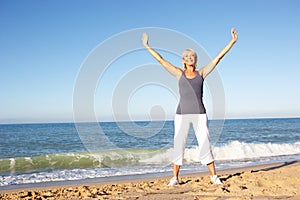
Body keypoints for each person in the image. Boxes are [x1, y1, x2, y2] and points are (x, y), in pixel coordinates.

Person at [142, 28, 238, 186]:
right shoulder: (179, 73)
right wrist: (147, 46)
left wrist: (232, 42)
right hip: (181, 115)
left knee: (205, 143)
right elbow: (161, 60)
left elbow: (218, 57)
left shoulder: (202, 73)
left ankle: (214, 176)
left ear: (195, 60)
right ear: (183, 61)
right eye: (187, 56)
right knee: (178, 144)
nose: (190, 58)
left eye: (192, 56)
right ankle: (175, 177)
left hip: (200, 114)